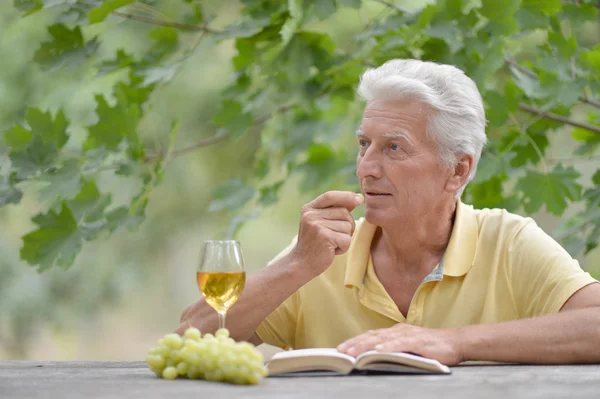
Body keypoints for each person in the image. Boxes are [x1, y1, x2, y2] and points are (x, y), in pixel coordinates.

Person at [177, 59, 600, 365]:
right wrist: (296, 264)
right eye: (364, 144)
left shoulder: (509, 243)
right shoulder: (322, 254)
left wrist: (454, 342)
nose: (366, 167)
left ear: (457, 170)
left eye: (393, 147)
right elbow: (189, 339)